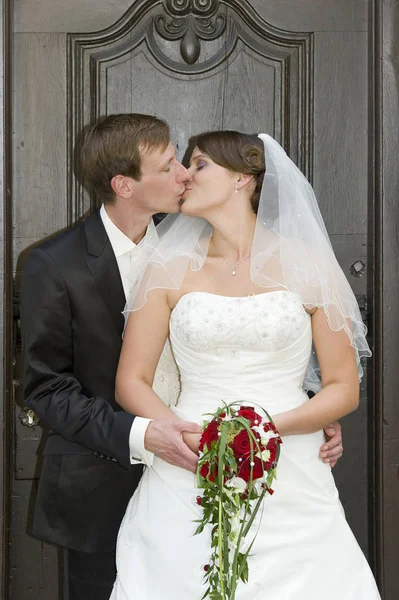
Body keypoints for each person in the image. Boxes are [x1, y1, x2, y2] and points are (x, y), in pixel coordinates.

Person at [110, 131, 380, 599]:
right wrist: (192, 439)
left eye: (199, 165)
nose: (184, 177)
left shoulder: (310, 265)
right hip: (189, 455)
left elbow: (342, 386)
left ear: (242, 178)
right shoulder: (166, 269)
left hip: (290, 462)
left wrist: (267, 430)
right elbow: (131, 380)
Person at [20, 113, 203, 600]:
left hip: (205, 485)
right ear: (124, 184)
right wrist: (144, 435)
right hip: (99, 491)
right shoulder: (51, 264)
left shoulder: (202, 250)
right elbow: (47, 389)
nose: (185, 175)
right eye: (167, 168)